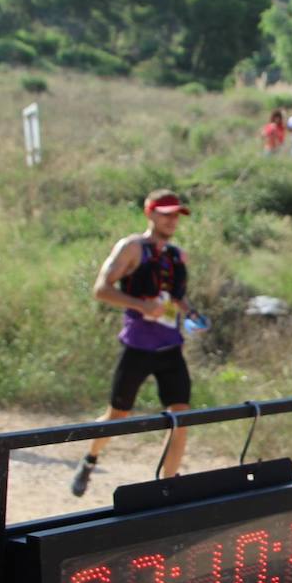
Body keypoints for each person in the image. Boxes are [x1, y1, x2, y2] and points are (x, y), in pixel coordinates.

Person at [72, 190, 197, 497]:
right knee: (118, 415)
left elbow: (175, 298)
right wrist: (142, 307)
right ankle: (91, 459)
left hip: (171, 347)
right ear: (150, 214)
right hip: (138, 347)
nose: (171, 220)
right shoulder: (131, 248)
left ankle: (169, 486)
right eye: (165, 214)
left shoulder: (177, 255)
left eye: (176, 215)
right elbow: (101, 289)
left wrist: (192, 313)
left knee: (181, 417)